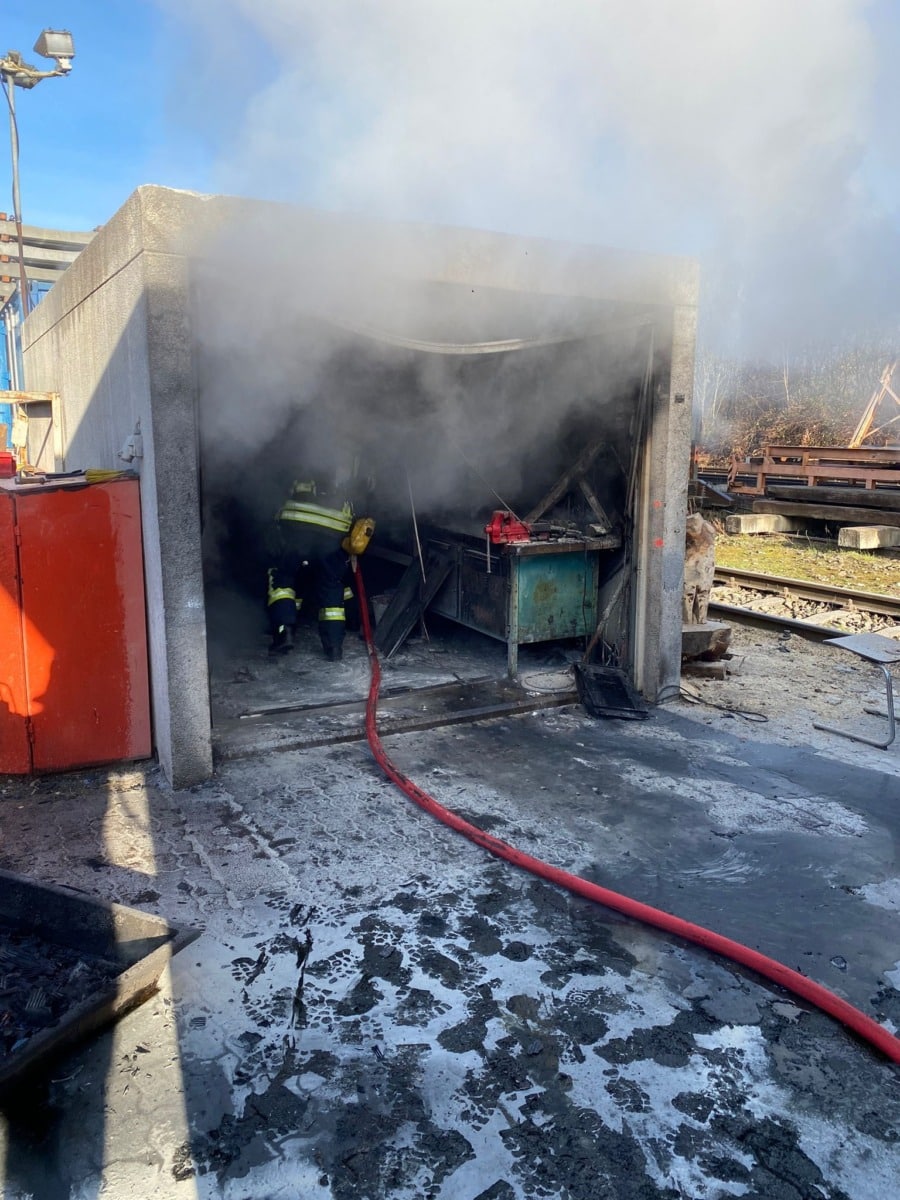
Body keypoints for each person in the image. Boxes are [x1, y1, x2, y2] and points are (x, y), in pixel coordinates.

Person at [266, 478, 355, 661]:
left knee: (283, 578)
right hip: (335, 529)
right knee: (331, 584)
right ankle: (334, 647)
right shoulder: (345, 460)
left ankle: (284, 633)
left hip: (298, 525)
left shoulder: (298, 453)